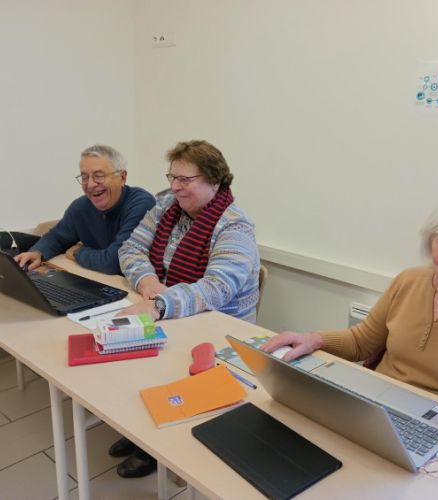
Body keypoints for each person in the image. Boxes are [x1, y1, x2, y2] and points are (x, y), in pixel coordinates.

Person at [262, 191, 438, 431]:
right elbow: (361, 341)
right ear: (431, 244)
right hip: (380, 405)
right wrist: (313, 339)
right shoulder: (409, 280)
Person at [110, 139, 260, 478]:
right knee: (127, 359)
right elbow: (131, 249)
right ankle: (141, 428)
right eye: (172, 177)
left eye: (185, 179)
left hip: (219, 330)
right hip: (175, 313)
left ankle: (157, 444)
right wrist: (149, 282)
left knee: (154, 359)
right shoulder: (166, 205)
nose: (175, 186)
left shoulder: (235, 226)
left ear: (215, 181)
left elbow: (217, 288)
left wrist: (159, 305)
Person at [14, 145, 155, 275]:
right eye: (84, 177)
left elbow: (115, 262)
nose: (91, 184)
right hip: (99, 280)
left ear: (122, 177)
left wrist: (78, 252)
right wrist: (38, 252)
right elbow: (57, 237)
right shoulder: (81, 206)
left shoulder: (142, 203)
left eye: (99, 176)